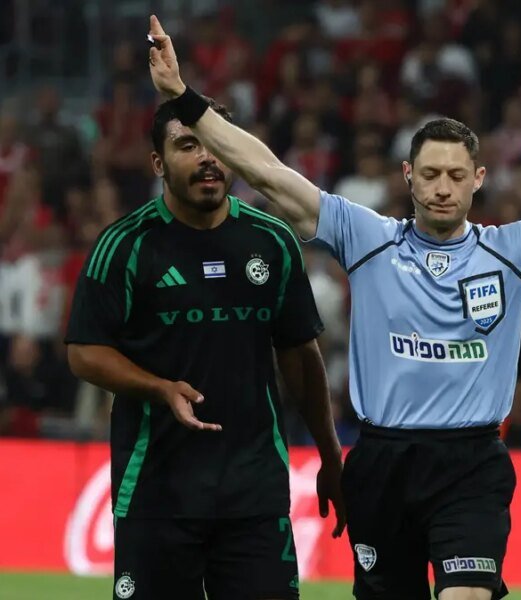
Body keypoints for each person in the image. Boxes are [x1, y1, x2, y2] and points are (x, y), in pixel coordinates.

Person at [146, 15, 521, 600]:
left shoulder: (516, 249)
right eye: (430, 174)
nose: (442, 187)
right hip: (382, 460)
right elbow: (268, 172)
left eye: (455, 175)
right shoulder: (365, 237)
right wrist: (184, 98)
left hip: (470, 464)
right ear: (408, 176)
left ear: (479, 179)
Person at [64, 96, 346, 599]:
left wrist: (330, 455)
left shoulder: (273, 241)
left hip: (254, 495)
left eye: (215, 143)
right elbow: (84, 352)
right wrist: (159, 388)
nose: (207, 158)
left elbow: (301, 357)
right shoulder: (124, 245)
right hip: (156, 493)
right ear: (158, 163)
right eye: (187, 145)